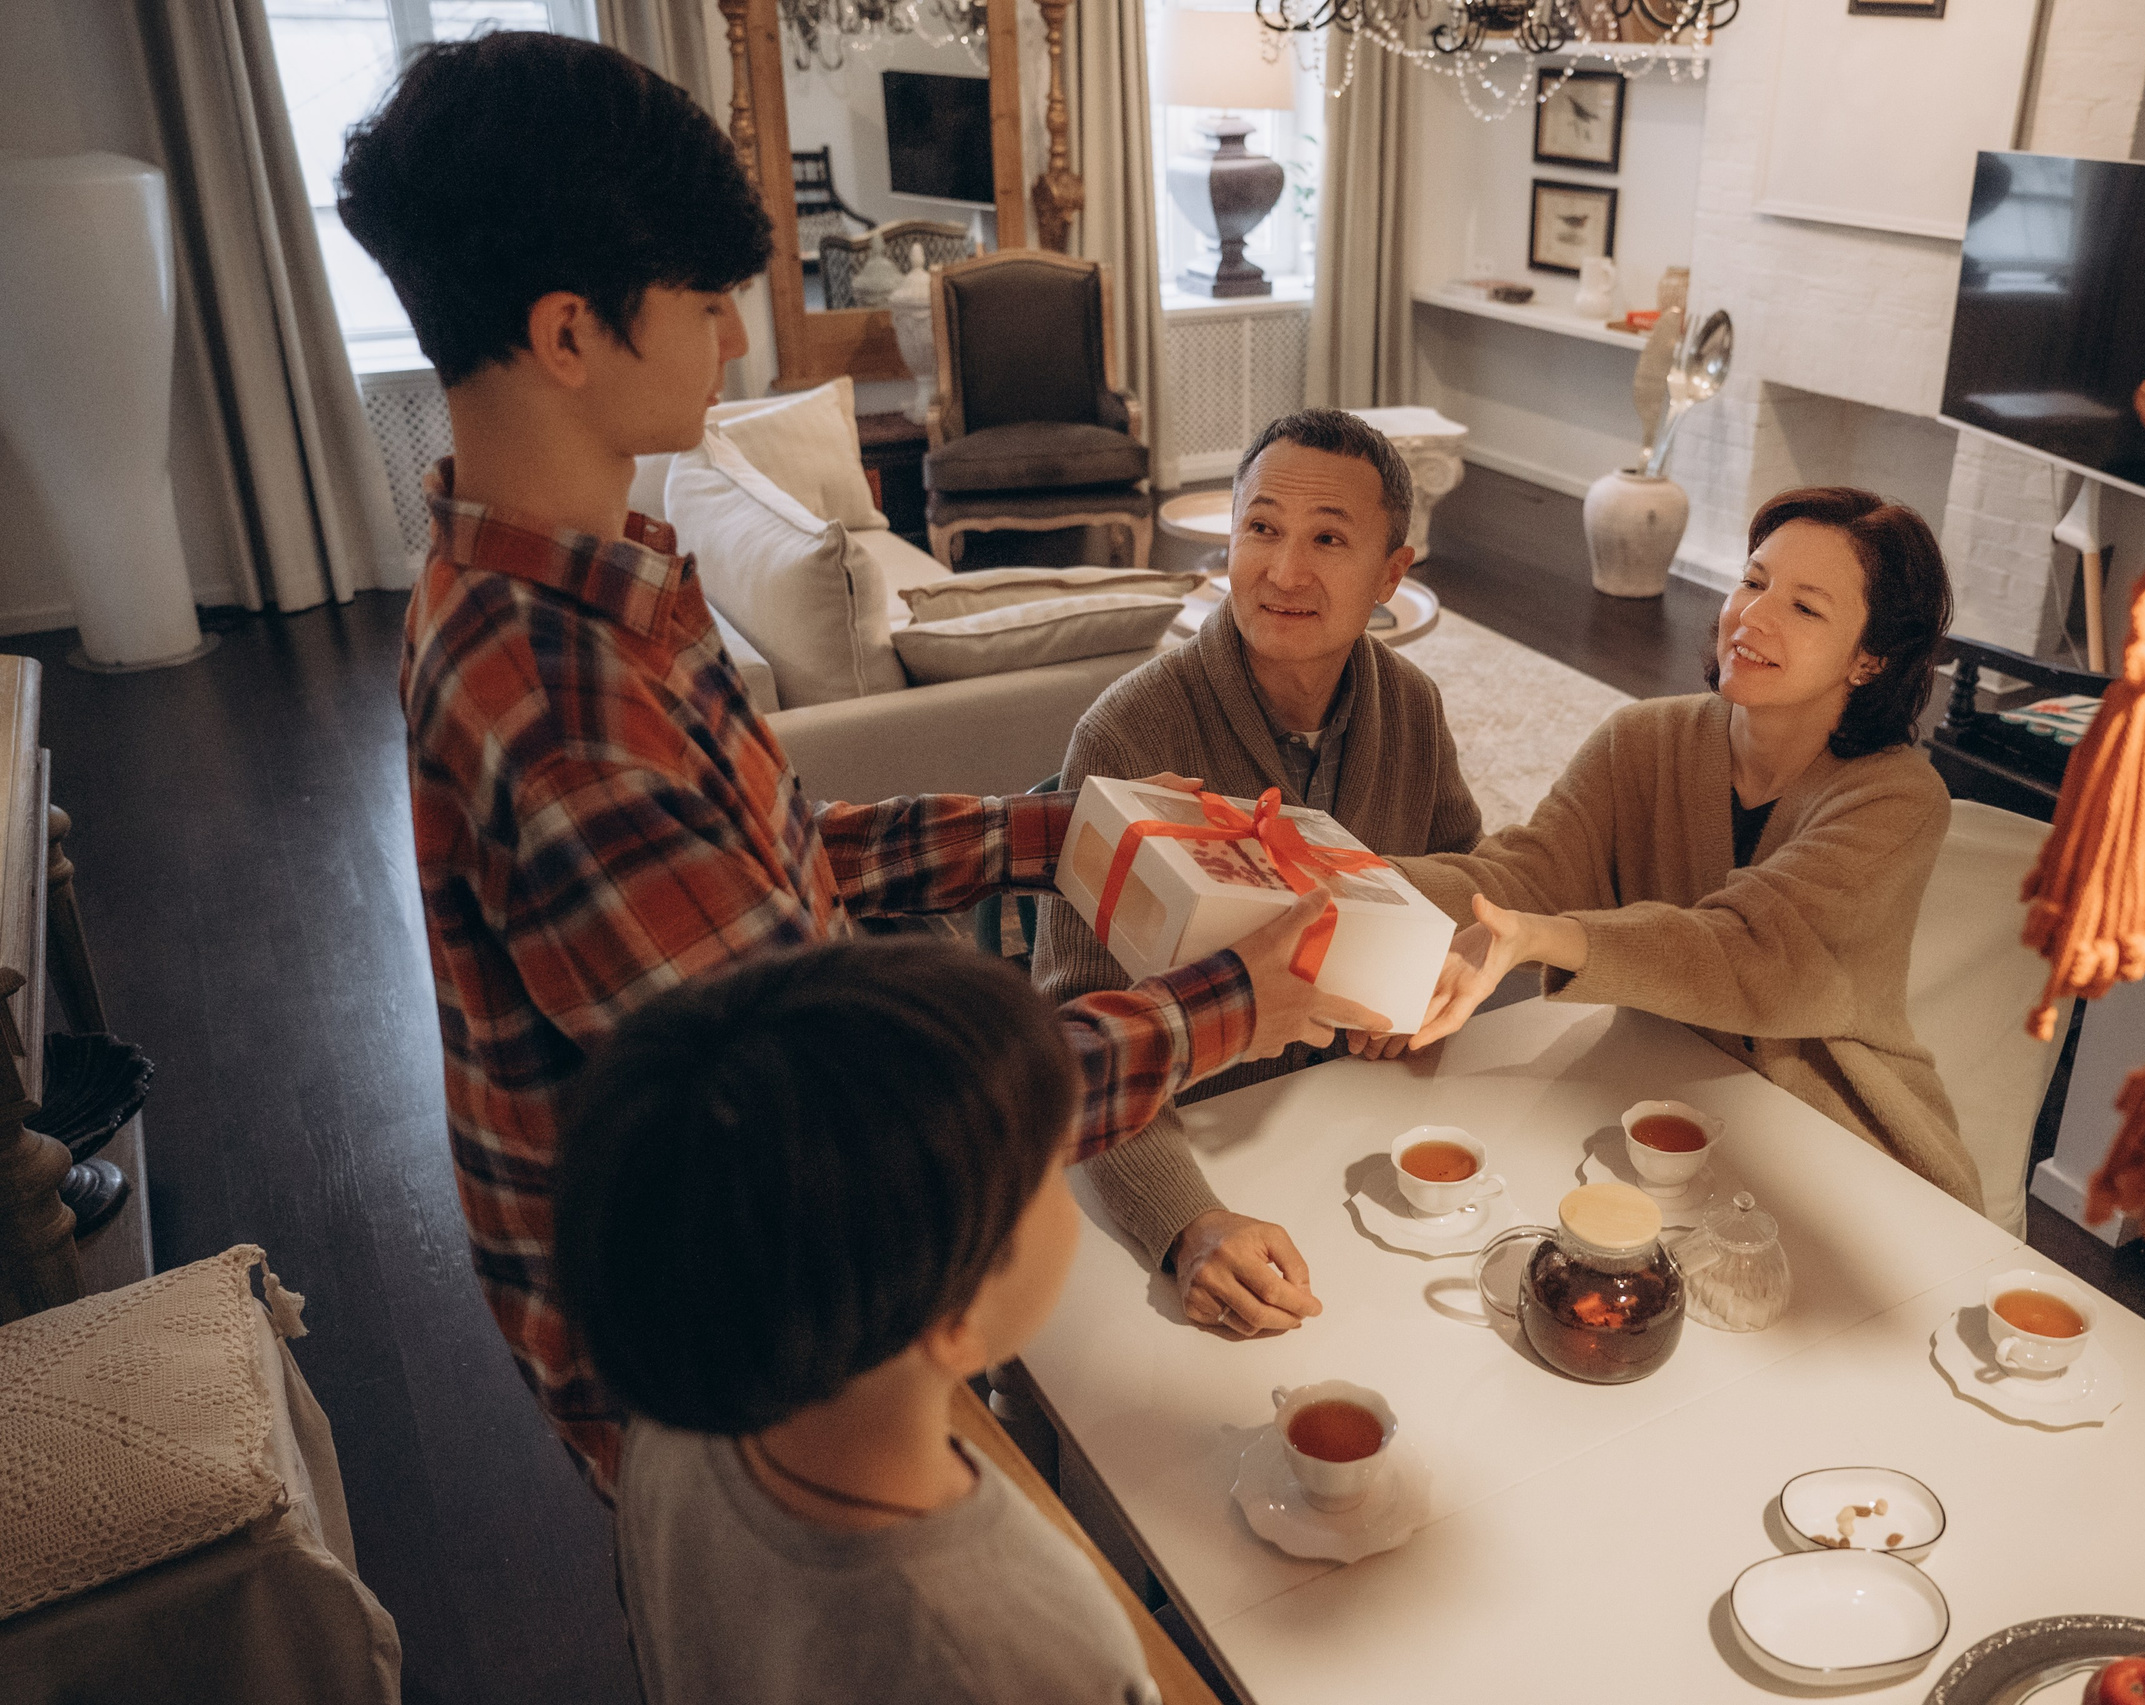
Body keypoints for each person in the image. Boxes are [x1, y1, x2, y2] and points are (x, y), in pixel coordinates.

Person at [339, 33, 1380, 1492]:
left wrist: (1050, 829)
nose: (733, 342)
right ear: (569, 335)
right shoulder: (560, 707)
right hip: (735, 1361)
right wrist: (1231, 1003)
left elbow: (774, 855)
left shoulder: (583, 585)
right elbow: (860, 1140)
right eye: (705, 303)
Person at [556, 940, 1155, 1705]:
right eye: (1056, 1172)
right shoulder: (1036, 1653)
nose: (1069, 1195)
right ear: (955, 1319)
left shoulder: (676, 1431)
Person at [1395, 486, 1983, 1212]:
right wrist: (1341, 877)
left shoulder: (1897, 798)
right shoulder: (1642, 739)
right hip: (1660, 1100)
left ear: (1870, 659)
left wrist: (1550, 938)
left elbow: (1748, 951)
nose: (1753, 616)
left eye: (1805, 607)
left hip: (1837, 1143)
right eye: (1754, 581)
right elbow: (1520, 874)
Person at [1033, 410, 1481, 1337]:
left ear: (1392, 574)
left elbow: (1464, 879)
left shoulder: (1411, 705)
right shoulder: (1128, 735)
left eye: (1328, 538)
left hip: (1360, 1121)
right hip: (1195, 1148)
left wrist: (1425, 977)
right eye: (1261, 529)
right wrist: (1185, 1224)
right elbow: (1070, 1029)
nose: (1283, 571)